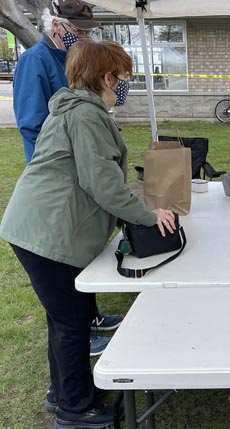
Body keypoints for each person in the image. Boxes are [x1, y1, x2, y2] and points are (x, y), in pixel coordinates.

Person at [0, 39, 176, 428]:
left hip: (38, 227)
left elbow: (101, 177)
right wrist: (149, 215)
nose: (123, 84)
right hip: (47, 234)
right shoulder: (86, 116)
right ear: (106, 76)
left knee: (64, 319)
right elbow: (102, 185)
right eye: (121, 77)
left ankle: (63, 393)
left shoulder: (78, 110)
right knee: (71, 322)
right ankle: (75, 409)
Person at [13, 0, 123, 359]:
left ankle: (89, 320)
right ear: (57, 26)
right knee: (64, 299)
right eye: (79, 30)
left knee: (77, 258)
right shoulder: (35, 60)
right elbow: (32, 121)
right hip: (55, 184)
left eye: (88, 31)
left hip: (74, 175)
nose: (83, 36)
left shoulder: (75, 62)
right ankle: (80, 344)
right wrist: (67, 160)